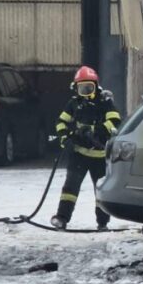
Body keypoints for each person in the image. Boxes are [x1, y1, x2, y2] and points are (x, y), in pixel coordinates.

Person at [50, 66, 121, 230]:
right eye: (82, 88)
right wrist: (65, 138)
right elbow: (61, 122)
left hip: (100, 156)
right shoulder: (73, 104)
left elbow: (115, 121)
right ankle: (62, 218)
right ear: (76, 88)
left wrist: (95, 130)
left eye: (89, 87)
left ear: (96, 86)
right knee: (70, 188)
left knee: (101, 190)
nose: (86, 92)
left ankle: (102, 223)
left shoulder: (105, 103)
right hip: (79, 154)